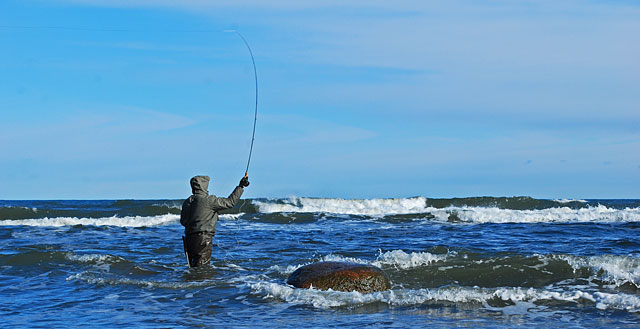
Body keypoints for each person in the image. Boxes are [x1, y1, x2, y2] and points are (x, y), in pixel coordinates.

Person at [180, 174, 250, 267]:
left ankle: (192, 281)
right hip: (203, 239)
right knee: (202, 268)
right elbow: (230, 202)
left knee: (193, 266)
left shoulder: (187, 201)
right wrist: (241, 186)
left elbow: (183, 222)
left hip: (189, 239)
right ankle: (201, 281)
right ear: (204, 185)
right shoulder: (209, 200)